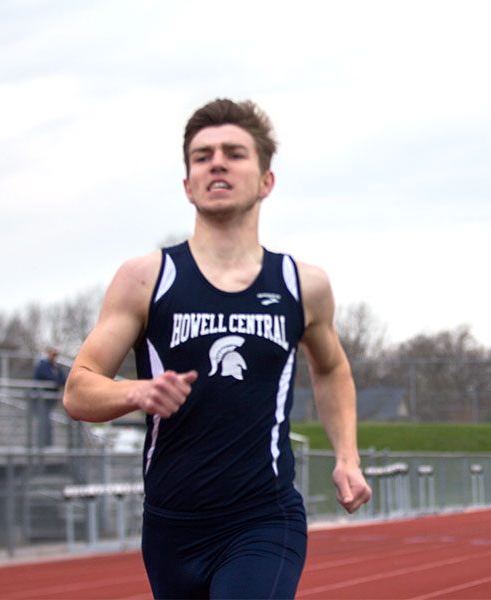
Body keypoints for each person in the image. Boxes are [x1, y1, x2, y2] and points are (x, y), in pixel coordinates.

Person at [63, 98, 372, 599]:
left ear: (266, 180)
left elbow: (332, 368)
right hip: (171, 524)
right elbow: (78, 390)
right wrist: (136, 392)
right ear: (188, 185)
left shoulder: (301, 285)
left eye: (234, 152)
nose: (217, 162)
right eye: (202, 156)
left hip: (263, 515)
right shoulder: (146, 279)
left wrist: (348, 457)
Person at [32, 346, 67, 447]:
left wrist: (58, 382)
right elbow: (49, 378)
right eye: (52, 354)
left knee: (47, 423)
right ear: (48, 354)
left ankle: (47, 445)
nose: (54, 357)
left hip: (49, 400)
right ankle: (42, 445)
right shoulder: (42, 365)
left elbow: (63, 380)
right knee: (43, 423)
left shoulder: (55, 367)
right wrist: (57, 382)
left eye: (56, 355)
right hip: (40, 399)